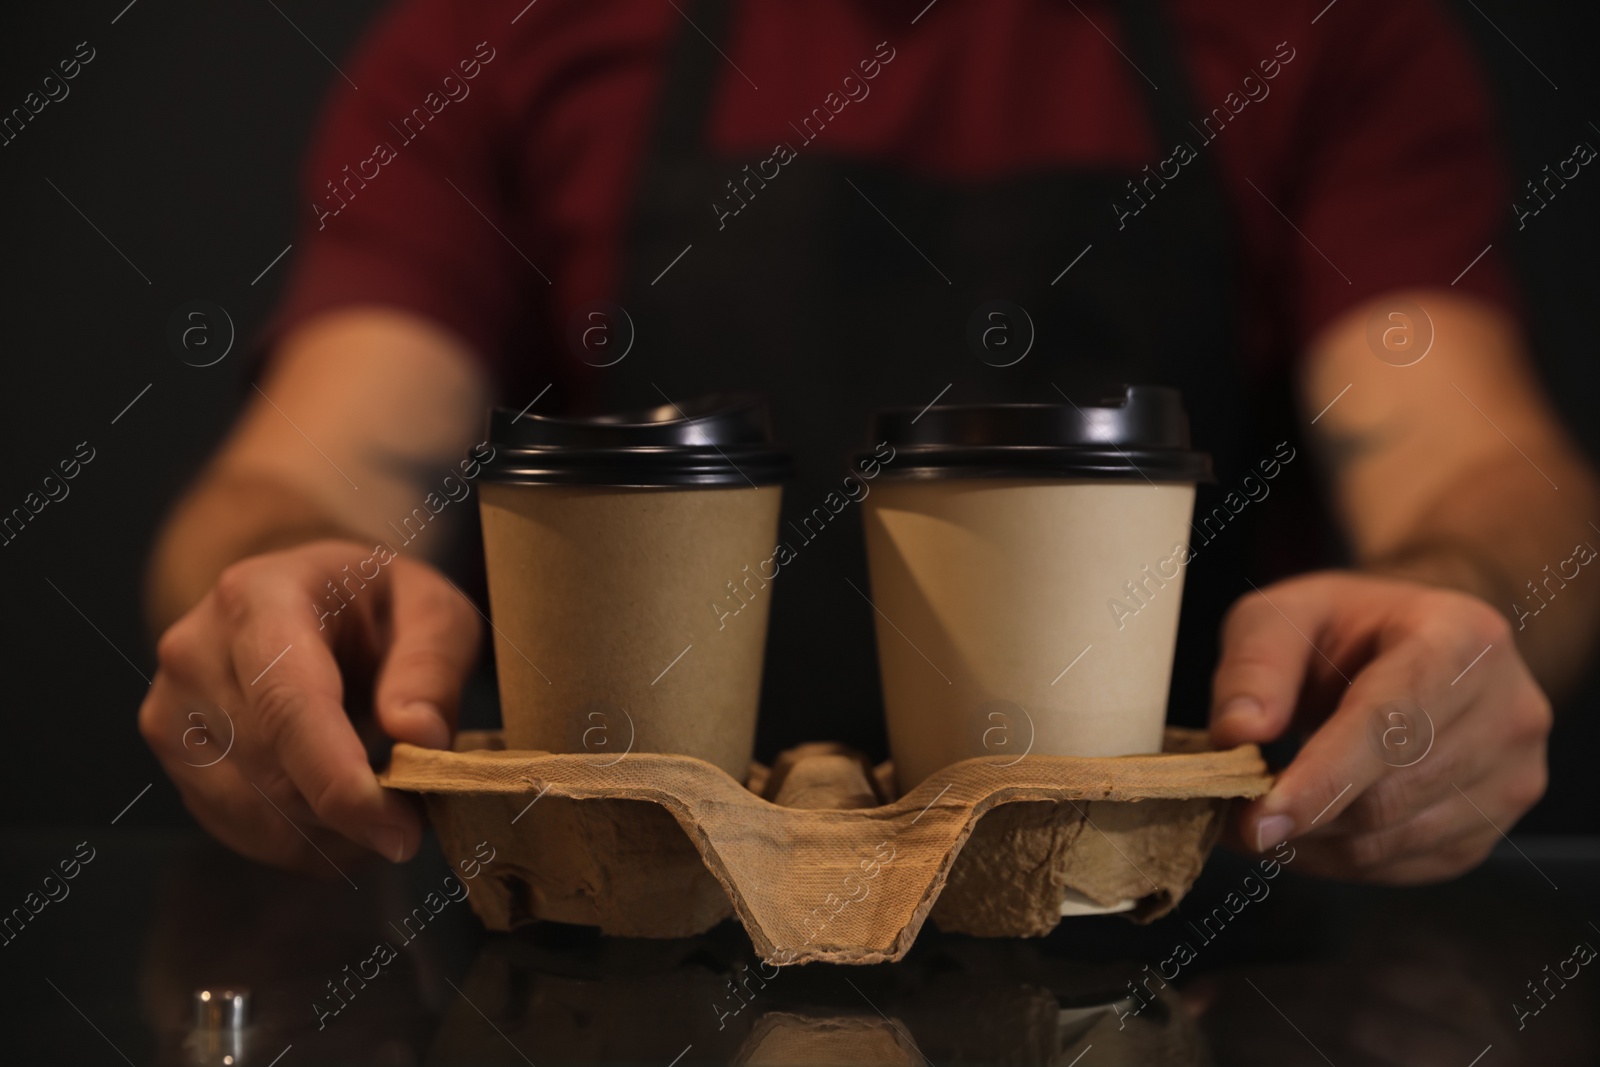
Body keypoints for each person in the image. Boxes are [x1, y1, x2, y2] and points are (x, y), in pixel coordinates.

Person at [138, 0, 1599, 886]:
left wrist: (1466, 612)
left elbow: (1478, 471)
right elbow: (319, 470)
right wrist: (280, 591)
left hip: (1169, 948)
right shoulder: (502, 38)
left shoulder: (1323, 31)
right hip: (614, 959)